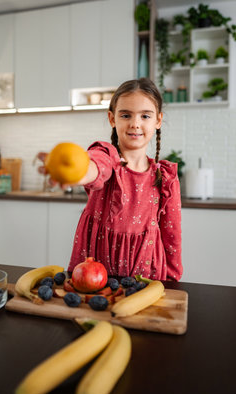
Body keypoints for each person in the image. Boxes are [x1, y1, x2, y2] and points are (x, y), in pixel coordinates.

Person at [39, 78, 183, 281]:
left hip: (147, 272)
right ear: (112, 118)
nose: (135, 123)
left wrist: (172, 280)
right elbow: (96, 168)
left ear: (158, 121)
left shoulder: (165, 177)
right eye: (126, 115)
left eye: (145, 116)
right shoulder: (106, 156)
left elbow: (172, 235)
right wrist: (77, 172)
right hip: (96, 271)